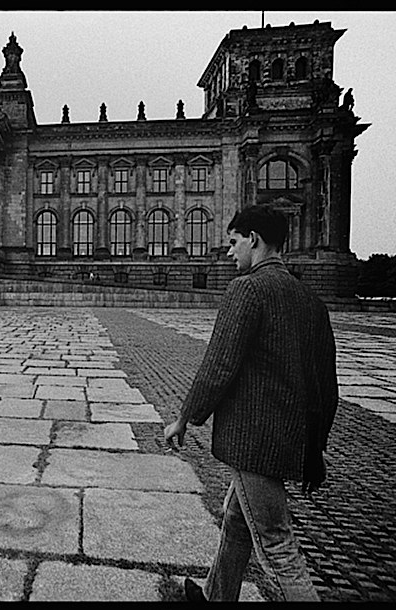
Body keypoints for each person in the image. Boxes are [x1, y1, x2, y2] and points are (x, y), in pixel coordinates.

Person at [163, 205, 338, 602]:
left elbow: (219, 363)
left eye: (233, 242)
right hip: (289, 438)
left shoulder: (247, 289)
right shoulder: (312, 300)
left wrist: (184, 418)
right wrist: (316, 445)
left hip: (255, 441)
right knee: (237, 523)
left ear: (253, 240)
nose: (229, 253)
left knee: (277, 546)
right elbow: (327, 384)